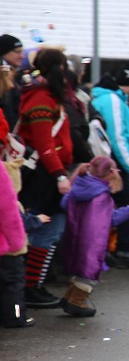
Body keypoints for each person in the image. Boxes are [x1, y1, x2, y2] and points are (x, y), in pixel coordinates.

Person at [15, 48, 74, 309]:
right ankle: (31, 287)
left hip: (51, 172)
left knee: (53, 230)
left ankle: (35, 284)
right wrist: (60, 174)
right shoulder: (40, 98)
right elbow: (44, 144)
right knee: (44, 232)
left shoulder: (48, 96)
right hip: (45, 175)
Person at [58, 156, 129, 317]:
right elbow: (108, 220)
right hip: (92, 242)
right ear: (109, 174)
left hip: (74, 237)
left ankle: (69, 297)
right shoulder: (101, 196)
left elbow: (65, 204)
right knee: (88, 272)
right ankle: (77, 301)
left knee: (77, 269)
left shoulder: (78, 185)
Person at [90, 71, 129, 269]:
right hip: (111, 162)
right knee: (128, 204)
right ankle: (123, 250)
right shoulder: (113, 101)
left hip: (103, 160)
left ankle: (103, 250)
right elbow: (118, 137)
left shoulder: (102, 98)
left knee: (105, 206)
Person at [1, 157, 34, 327]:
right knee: (13, 286)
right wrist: (17, 242)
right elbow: (7, 211)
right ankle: (15, 317)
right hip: (5, 247)